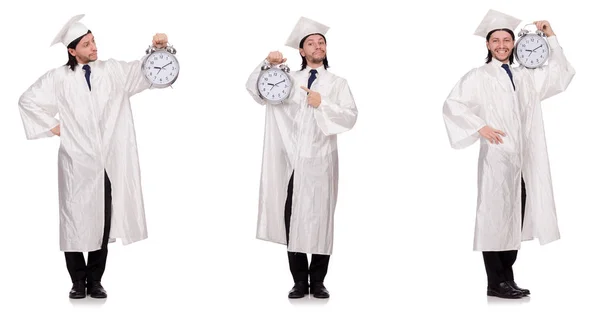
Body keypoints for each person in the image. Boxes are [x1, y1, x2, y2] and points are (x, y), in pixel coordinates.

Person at [17, 14, 169, 299]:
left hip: (106, 163)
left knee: (103, 220)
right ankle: (77, 281)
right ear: (72, 51)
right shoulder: (58, 79)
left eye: (93, 40)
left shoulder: (112, 71)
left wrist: (158, 48)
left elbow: (149, 72)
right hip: (76, 163)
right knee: (73, 221)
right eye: (86, 44)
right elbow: (27, 101)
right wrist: (56, 127)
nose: (94, 46)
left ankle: (96, 280)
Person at [442, 9, 575, 299]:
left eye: (507, 40)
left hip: (523, 160)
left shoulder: (524, 76)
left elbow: (560, 76)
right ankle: (495, 281)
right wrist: (480, 126)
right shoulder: (478, 76)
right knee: (494, 218)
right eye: (496, 40)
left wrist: (551, 38)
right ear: (487, 45)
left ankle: (507, 276)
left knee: (517, 216)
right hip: (497, 158)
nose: (502, 44)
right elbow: (453, 105)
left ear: (514, 44)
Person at [245, 16, 358, 299]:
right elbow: (256, 90)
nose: (318, 46)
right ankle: (298, 281)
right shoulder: (287, 80)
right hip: (293, 160)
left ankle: (318, 281)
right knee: (292, 217)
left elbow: (350, 117)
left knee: (321, 217)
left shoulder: (337, 83)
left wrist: (323, 104)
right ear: (301, 51)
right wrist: (266, 64)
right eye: (311, 43)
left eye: (321, 42)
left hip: (322, 159)